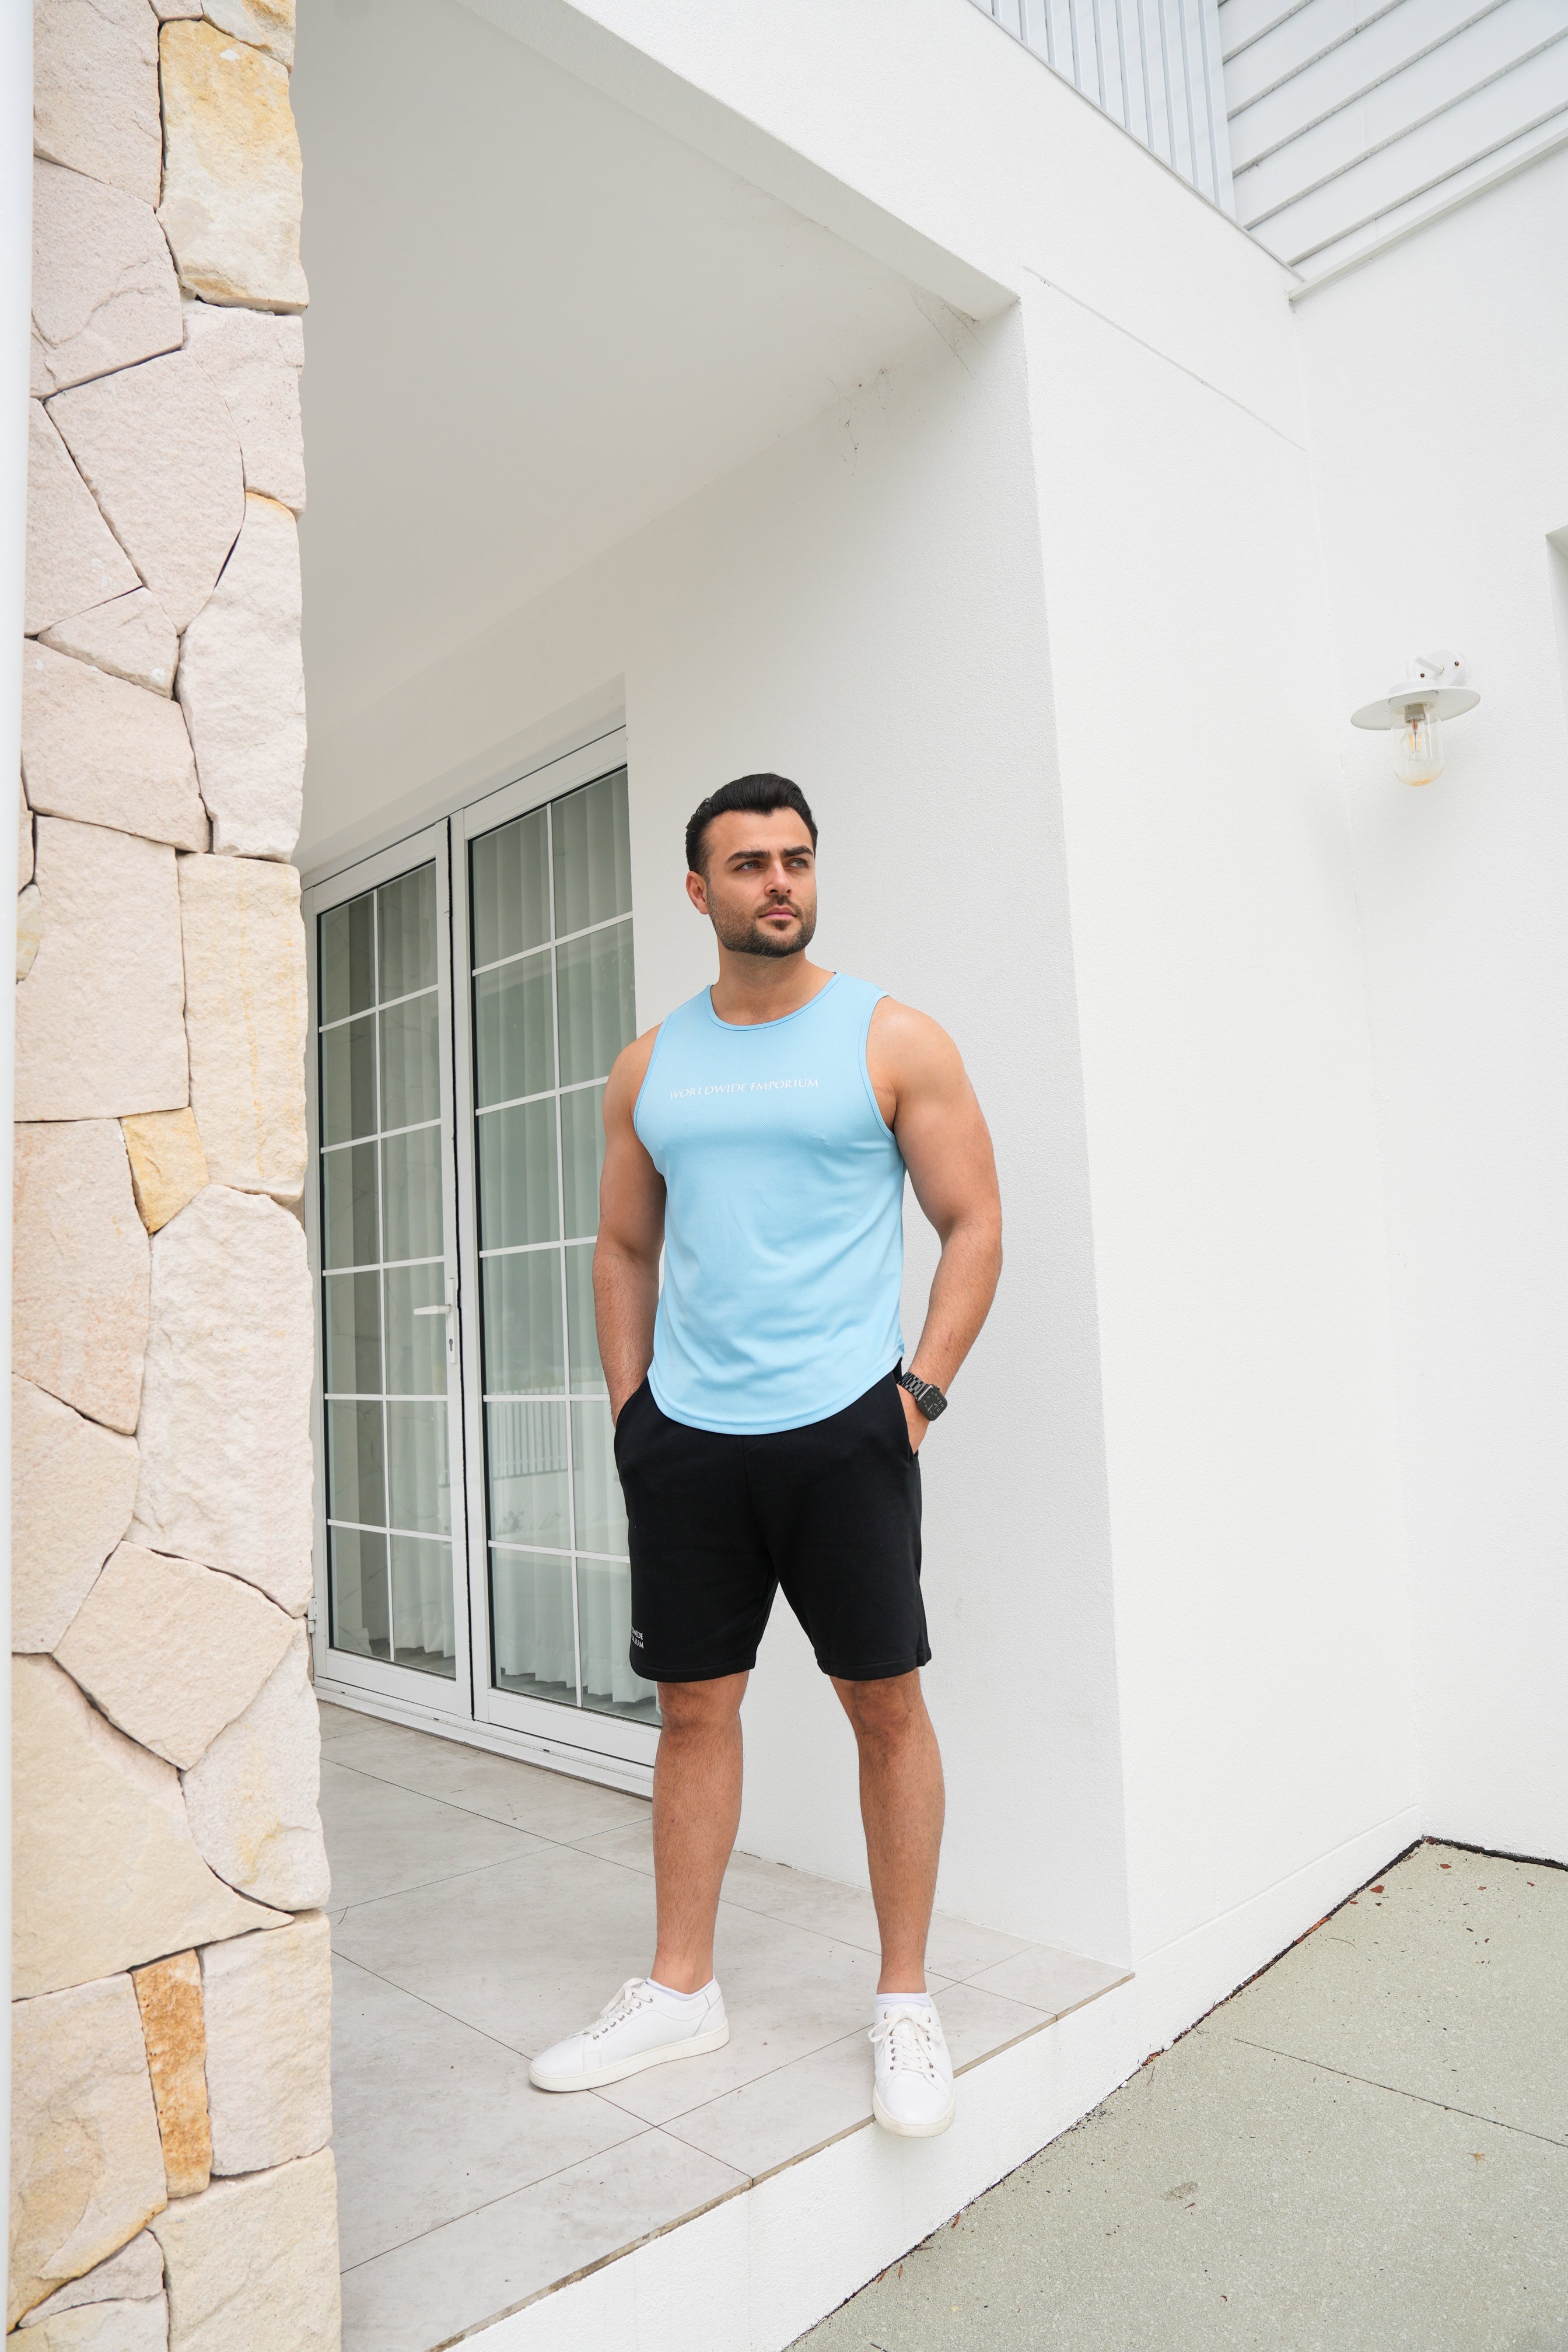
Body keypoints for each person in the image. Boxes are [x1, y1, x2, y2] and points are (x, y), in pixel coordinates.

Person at [528, 773, 1002, 2136]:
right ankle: (682, 1987)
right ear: (700, 890)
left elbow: (974, 1223)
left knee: (884, 1705)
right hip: (690, 1440)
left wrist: (916, 1394)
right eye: (748, 863)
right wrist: (634, 1412)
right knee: (693, 1710)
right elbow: (624, 1245)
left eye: (796, 858)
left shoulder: (891, 1037)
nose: (779, 881)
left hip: (846, 1430)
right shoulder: (650, 1065)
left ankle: (903, 1998)